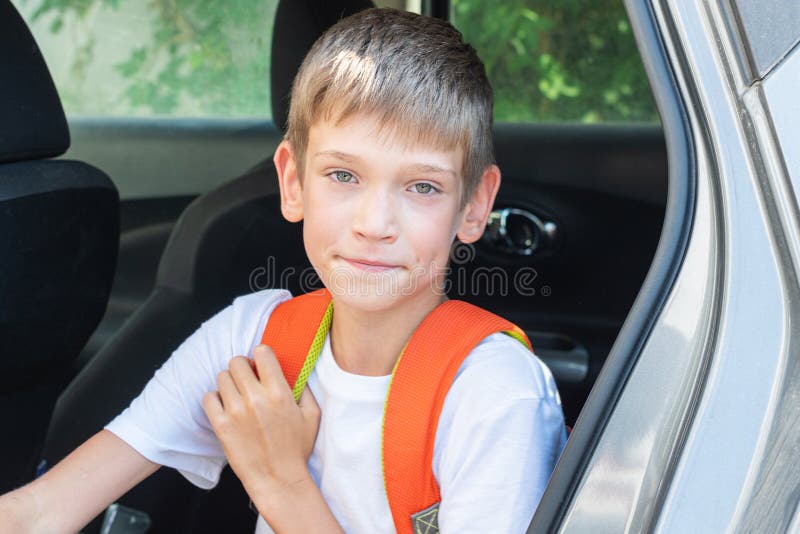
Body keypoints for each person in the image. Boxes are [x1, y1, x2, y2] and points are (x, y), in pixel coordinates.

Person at [0, 8, 566, 533]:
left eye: (422, 187)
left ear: (473, 206)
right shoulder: (253, 339)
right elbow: (40, 512)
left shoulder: (495, 395)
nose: (375, 223)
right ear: (293, 182)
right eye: (343, 176)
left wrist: (280, 482)